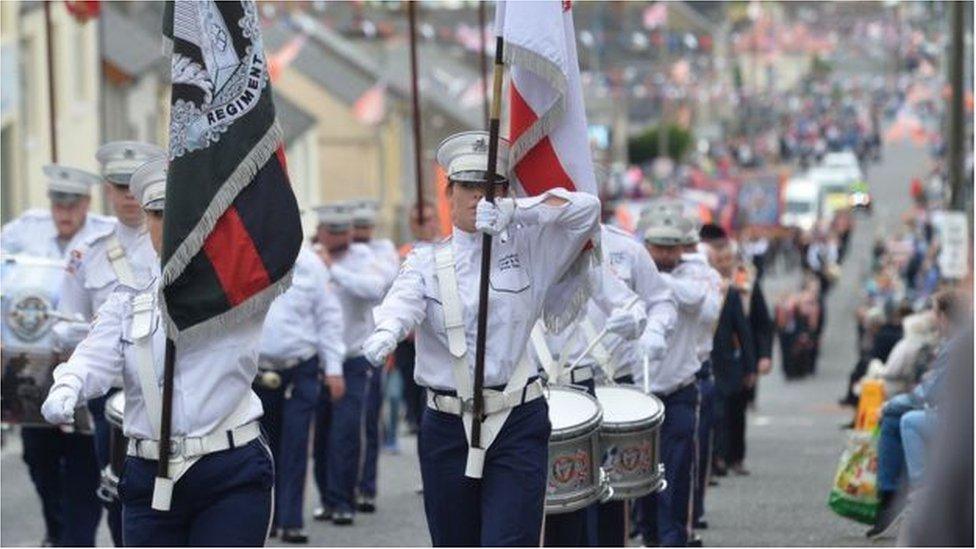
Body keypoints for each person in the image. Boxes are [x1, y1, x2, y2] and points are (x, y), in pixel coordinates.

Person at [362, 130, 600, 546]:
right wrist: (387, 330)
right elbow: (404, 302)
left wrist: (517, 211)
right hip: (447, 422)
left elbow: (587, 210)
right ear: (449, 194)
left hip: (516, 418)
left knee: (508, 540)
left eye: (492, 188)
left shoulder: (531, 249)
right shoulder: (426, 261)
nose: (479, 197)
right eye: (469, 187)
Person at [40, 158, 275, 546]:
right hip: (149, 475)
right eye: (158, 214)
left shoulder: (242, 287)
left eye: (182, 212)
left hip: (229, 470)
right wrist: (69, 385)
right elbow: (95, 354)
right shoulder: (130, 296)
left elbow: (276, 243)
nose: (169, 224)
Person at [54, 140, 165, 546]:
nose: (130, 197)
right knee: (118, 495)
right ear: (108, 190)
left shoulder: (173, 244)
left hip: (165, 392)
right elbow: (69, 322)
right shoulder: (90, 253)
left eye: (137, 187)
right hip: (110, 395)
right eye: (121, 187)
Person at [1, 165, 115, 547]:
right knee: (38, 457)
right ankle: (57, 529)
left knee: (85, 460)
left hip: (85, 362)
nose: (64, 213)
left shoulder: (106, 235)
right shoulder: (24, 231)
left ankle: (75, 541)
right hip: (32, 366)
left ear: (86, 203)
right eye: (58, 204)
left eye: (73, 205)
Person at [310, 203, 393, 525]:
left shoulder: (363, 257)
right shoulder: (308, 258)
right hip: (315, 361)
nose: (337, 236)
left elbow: (374, 289)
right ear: (321, 233)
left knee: (346, 433)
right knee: (321, 436)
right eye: (330, 231)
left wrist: (333, 270)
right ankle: (327, 498)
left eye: (342, 231)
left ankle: (345, 499)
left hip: (353, 360)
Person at [256, 244, 345, 543]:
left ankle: (291, 519)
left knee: (295, 446)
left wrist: (333, 367)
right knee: (262, 450)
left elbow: (328, 317)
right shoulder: (250, 253)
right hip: (257, 373)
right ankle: (267, 517)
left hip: (300, 368)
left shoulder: (311, 265)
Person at [637, 210, 711, 547]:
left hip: (679, 389)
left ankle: (674, 540)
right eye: (657, 247)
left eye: (672, 247)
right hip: (641, 391)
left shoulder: (695, 274)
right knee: (641, 474)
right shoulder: (633, 270)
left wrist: (652, 279)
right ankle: (651, 536)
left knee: (676, 472)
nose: (665, 254)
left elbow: (699, 301)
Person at [868, 290, 960, 539]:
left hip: (957, 419)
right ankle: (889, 494)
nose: (932, 317)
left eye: (934, 311)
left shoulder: (955, 345)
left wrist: (889, 405)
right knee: (894, 419)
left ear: (943, 316)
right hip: (948, 410)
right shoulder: (951, 343)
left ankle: (918, 493)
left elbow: (927, 393)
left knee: (907, 420)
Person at [348, 198, 400, 513]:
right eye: (358, 228)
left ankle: (365, 486)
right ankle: (339, 489)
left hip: (371, 348)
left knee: (368, 422)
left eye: (367, 227)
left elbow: (378, 287)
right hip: (339, 350)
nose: (362, 233)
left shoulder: (381, 252)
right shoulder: (337, 253)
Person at [707, 239, 757, 478]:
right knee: (714, 413)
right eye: (720, 260)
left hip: (728, 360)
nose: (724, 265)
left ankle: (731, 457)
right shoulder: (702, 287)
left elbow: (744, 331)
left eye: (728, 260)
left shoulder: (734, 292)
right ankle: (715, 459)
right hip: (704, 359)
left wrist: (751, 366)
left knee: (731, 411)